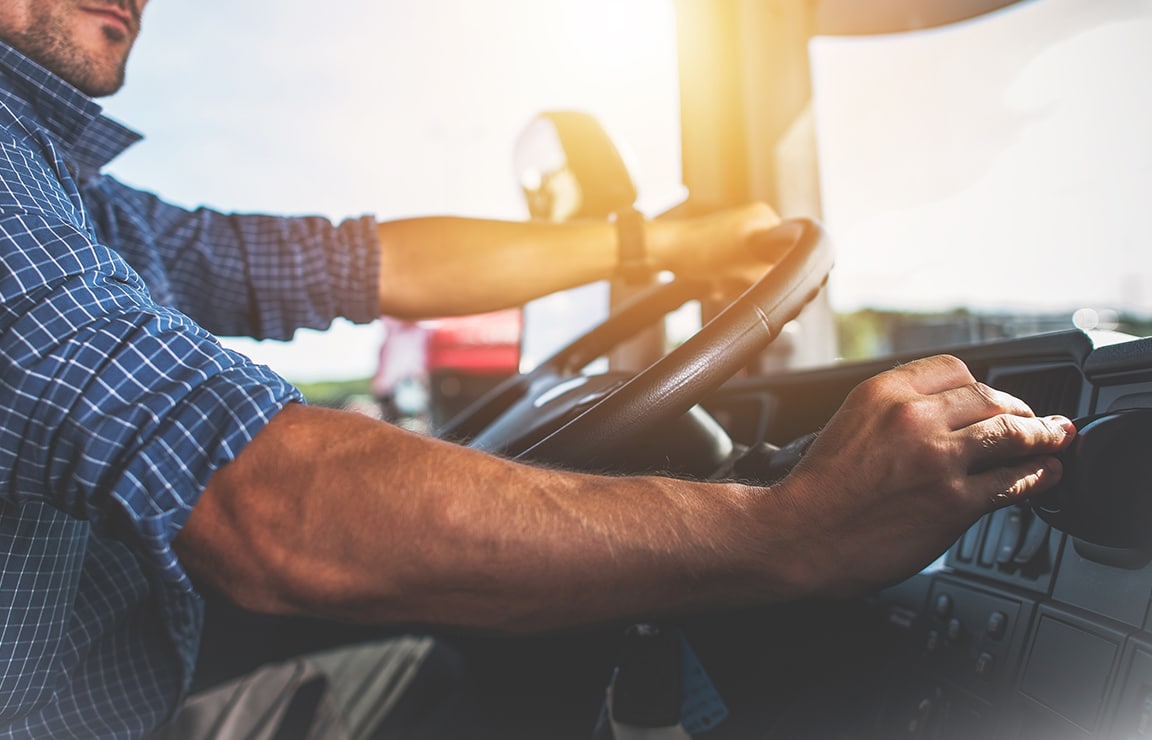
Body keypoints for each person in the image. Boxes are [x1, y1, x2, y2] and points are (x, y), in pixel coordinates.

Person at [0, 0, 1077, 737]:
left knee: (459, 672)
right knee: (476, 683)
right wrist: (792, 528)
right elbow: (261, 497)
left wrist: (659, 246)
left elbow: (337, 260)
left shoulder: (75, 193)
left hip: (122, 699)